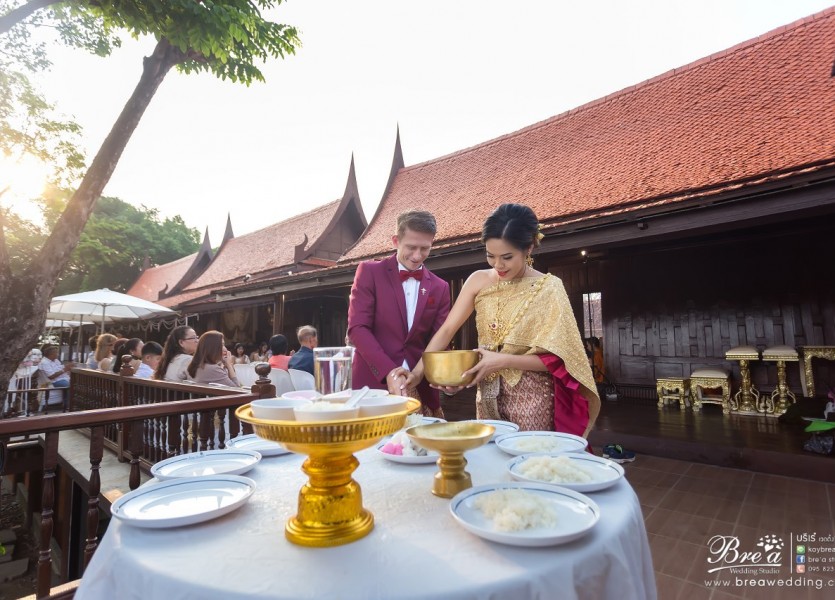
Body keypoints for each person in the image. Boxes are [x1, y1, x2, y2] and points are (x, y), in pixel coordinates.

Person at [402, 203, 600, 437]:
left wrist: (501, 360)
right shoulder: (477, 280)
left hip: (532, 399)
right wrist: (417, 374)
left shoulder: (550, 288)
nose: (498, 265)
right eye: (490, 256)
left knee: (527, 462)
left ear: (529, 248)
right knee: (490, 461)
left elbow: (560, 360)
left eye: (507, 257)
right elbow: (447, 330)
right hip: (486, 395)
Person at [347, 210, 451, 417]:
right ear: (396, 241)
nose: (417, 256)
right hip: (372, 384)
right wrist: (389, 372)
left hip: (418, 385)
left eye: (425, 249)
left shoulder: (440, 287)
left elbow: (440, 339)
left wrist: (437, 375)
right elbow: (357, 329)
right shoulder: (369, 272)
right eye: (411, 247)